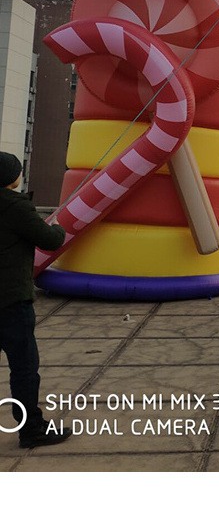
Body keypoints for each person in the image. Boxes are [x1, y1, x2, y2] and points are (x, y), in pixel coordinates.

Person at [0, 151, 72, 448]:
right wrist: (58, 226)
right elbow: (51, 240)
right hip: (11, 302)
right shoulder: (16, 207)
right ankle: (31, 430)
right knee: (24, 369)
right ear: (13, 178)